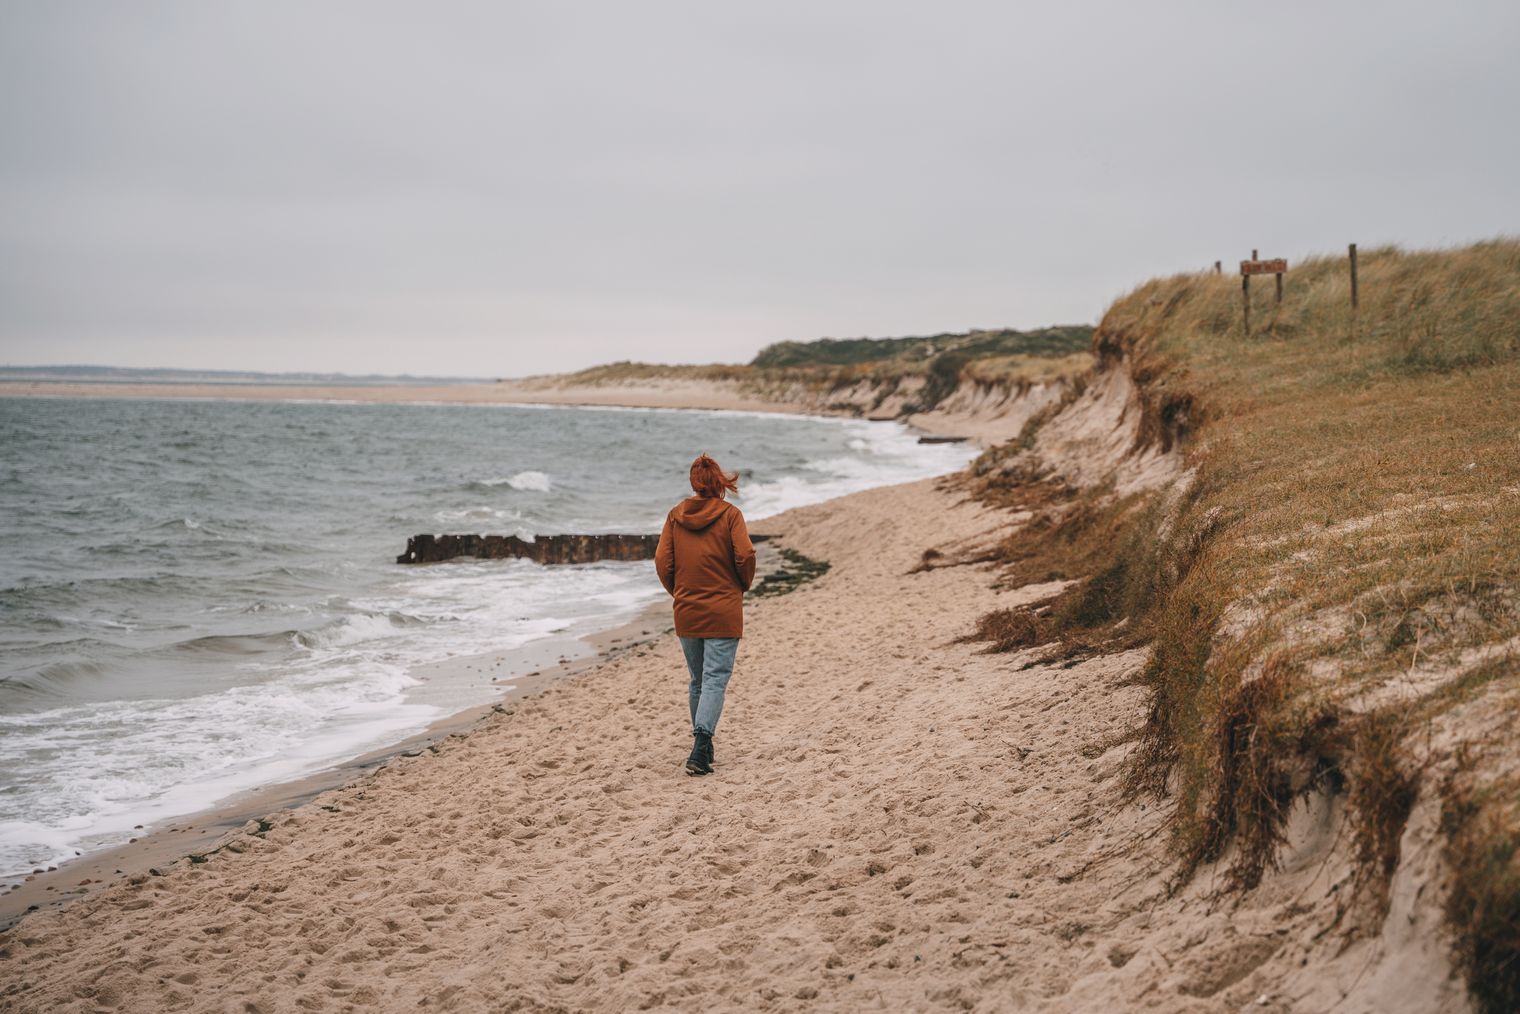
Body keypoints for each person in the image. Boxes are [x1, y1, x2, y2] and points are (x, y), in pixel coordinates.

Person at [654, 453, 756, 775]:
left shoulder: (674, 516)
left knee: (698, 680)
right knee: (714, 680)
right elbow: (746, 555)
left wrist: (679, 592)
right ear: (719, 483)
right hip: (723, 610)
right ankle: (701, 746)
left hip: (687, 610)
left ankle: (704, 746)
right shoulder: (730, 515)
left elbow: (662, 563)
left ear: (693, 483)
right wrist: (741, 586)